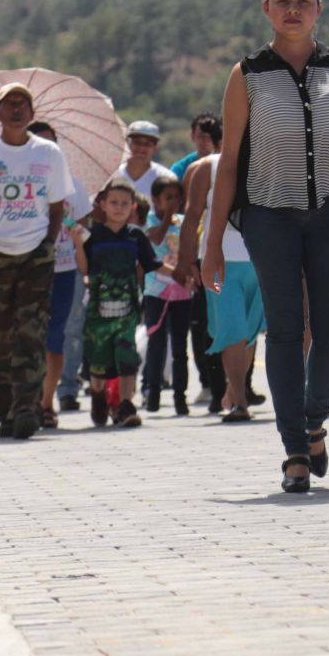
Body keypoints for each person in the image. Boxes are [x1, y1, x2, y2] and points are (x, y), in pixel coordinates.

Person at [204, 0, 329, 494]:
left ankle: (312, 419)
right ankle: (294, 452)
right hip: (268, 215)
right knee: (284, 329)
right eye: (281, 0)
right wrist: (212, 243)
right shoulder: (247, 74)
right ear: (266, 10)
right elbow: (230, 160)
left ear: (318, 9)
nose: (292, 8)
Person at [0, 82, 75, 440]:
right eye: (9, 104)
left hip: (35, 253)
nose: (17, 109)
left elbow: (56, 207)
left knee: (31, 332)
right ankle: (4, 410)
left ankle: (26, 408)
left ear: (33, 114)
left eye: (23, 104)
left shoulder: (49, 153)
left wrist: (47, 246)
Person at [178, 143, 263, 423]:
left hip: (263, 258)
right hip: (220, 259)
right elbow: (191, 216)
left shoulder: (271, 157)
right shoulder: (207, 167)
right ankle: (239, 400)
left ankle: (234, 389)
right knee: (232, 329)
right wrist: (185, 260)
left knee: (249, 333)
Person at [28, 121, 93, 430]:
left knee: (57, 338)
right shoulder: (18, 183)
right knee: (29, 338)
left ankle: (46, 401)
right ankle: (27, 398)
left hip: (64, 269)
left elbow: (82, 225)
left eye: (50, 144)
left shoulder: (73, 184)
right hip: (27, 268)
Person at [81, 177, 156, 428]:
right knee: (98, 361)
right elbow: (84, 268)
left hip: (127, 310)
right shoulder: (92, 235)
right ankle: (98, 395)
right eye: (113, 202)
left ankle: (125, 405)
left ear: (133, 207)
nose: (119, 207)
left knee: (127, 357)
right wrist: (75, 243)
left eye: (125, 203)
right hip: (97, 312)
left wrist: (182, 273)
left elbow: (151, 264)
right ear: (102, 204)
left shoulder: (136, 236)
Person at [171, 112, 225, 407]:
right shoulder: (188, 169)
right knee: (205, 323)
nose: (203, 142)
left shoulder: (240, 166)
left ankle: (238, 384)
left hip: (236, 253)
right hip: (205, 251)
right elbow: (186, 217)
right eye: (199, 136)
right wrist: (186, 258)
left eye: (210, 137)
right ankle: (213, 385)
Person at [140, 172, 195, 417]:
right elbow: (156, 238)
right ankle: (152, 392)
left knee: (180, 347)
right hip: (155, 292)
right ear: (155, 200)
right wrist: (167, 219)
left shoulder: (184, 221)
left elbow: (189, 249)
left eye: (178, 198)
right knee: (156, 344)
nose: (174, 202)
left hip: (182, 292)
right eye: (168, 197)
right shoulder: (150, 221)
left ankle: (180, 397)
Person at [120, 120, 163, 206]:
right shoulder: (113, 175)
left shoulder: (164, 177)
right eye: (137, 142)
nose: (141, 148)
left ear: (155, 148)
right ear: (127, 144)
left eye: (147, 144)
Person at [170, 112, 219, 184]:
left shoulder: (227, 165)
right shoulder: (180, 169)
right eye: (201, 136)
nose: (206, 141)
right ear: (192, 136)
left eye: (211, 137)